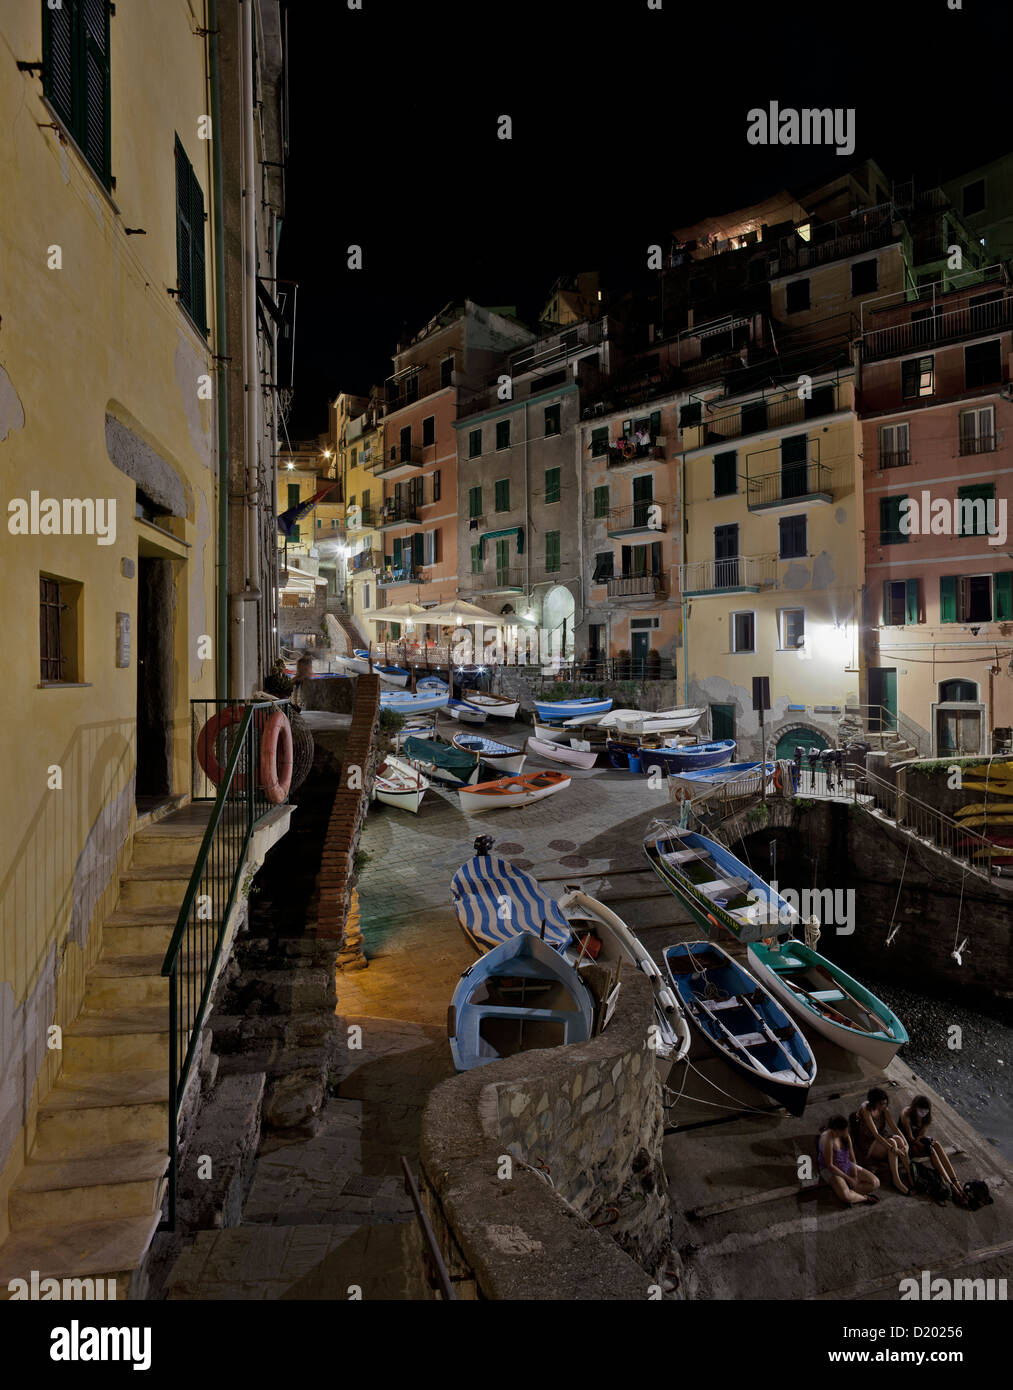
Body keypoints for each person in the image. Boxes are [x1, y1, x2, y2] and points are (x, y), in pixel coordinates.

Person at [900, 1094, 963, 1202]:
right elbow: (910, 1138)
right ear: (915, 1107)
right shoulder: (906, 1113)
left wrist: (928, 1142)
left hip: (917, 1143)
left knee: (936, 1144)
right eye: (921, 1111)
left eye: (926, 1111)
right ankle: (951, 1185)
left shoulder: (927, 1118)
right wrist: (925, 1145)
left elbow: (921, 1136)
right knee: (931, 1150)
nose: (923, 1114)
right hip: (906, 1145)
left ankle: (955, 1181)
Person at [853, 1087, 912, 1193]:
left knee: (898, 1139)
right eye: (881, 1104)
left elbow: (895, 1128)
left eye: (885, 1103)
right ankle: (896, 1180)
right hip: (868, 1142)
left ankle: (910, 1174)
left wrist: (906, 1144)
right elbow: (875, 1134)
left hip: (881, 1137)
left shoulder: (884, 1110)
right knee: (892, 1143)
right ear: (874, 1102)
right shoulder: (866, 1109)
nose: (883, 1106)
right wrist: (893, 1149)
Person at [817, 1115, 880, 1205]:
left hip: (846, 1164)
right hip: (831, 1170)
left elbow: (852, 1157)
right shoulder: (827, 1138)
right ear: (837, 1130)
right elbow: (829, 1165)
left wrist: (854, 1175)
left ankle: (852, 1191)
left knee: (875, 1183)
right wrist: (849, 1179)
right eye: (845, 1129)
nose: (847, 1131)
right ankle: (864, 1198)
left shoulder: (845, 1136)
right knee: (846, 1196)